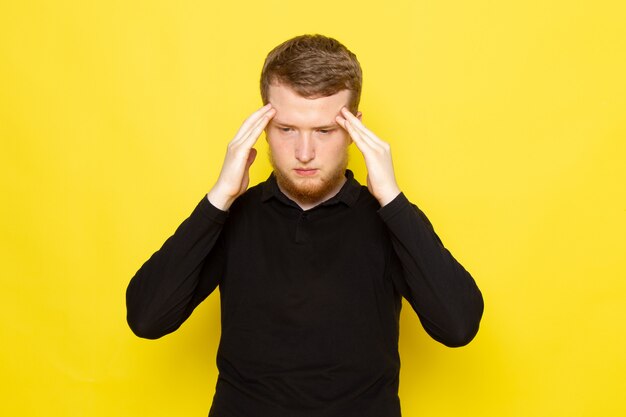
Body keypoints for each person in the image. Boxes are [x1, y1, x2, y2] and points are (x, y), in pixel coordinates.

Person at [126, 34, 484, 417]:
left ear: (353, 129)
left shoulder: (387, 218)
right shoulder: (232, 215)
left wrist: (392, 199)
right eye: (287, 129)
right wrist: (219, 198)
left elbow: (458, 326)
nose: (304, 153)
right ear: (262, 125)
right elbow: (147, 318)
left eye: (324, 131)